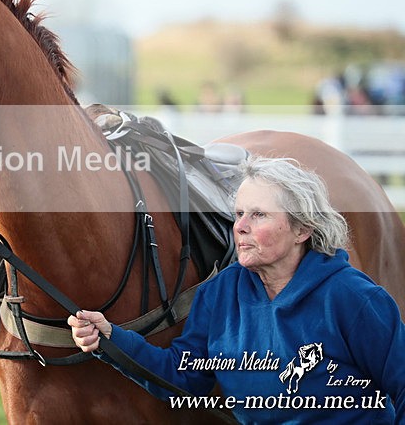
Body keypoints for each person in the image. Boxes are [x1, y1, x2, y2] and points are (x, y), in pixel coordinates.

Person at [68, 156, 405, 423]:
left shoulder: (353, 298)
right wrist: (111, 339)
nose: (240, 227)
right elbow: (183, 378)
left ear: (302, 229)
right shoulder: (219, 294)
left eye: (258, 215)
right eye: (239, 214)